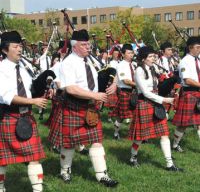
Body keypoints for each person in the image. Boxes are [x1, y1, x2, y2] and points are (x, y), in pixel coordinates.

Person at [48, 29, 118, 187]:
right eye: (84, 44)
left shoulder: (90, 61)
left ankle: (102, 175)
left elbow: (109, 72)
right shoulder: (68, 63)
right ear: (74, 46)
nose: (88, 47)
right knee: (69, 142)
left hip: (90, 107)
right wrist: (95, 96)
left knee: (96, 140)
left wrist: (113, 83)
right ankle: (65, 171)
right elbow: (71, 89)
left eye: (89, 44)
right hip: (73, 105)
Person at [0, 31, 48, 192]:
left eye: (20, 46)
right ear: (5, 50)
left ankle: (37, 190)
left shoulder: (24, 68)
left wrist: (45, 87)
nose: (20, 49)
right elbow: (8, 96)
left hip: (26, 115)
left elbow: (29, 90)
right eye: (15, 46)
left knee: (34, 156)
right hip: (8, 115)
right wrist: (33, 101)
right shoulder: (1, 69)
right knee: (2, 159)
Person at [128, 46, 183, 171]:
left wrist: (171, 79)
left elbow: (158, 87)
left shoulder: (153, 68)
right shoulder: (139, 71)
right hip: (144, 104)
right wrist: (164, 100)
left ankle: (169, 164)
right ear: (143, 59)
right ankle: (133, 157)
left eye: (154, 56)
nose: (154, 58)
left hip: (155, 103)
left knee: (164, 133)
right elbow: (146, 93)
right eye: (151, 56)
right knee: (140, 137)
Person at [172, 36, 200, 152]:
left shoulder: (198, 59)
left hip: (198, 92)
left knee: (199, 122)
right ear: (190, 48)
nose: (199, 50)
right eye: (198, 47)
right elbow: (187, 80)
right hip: (189, 93)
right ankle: (175, 144)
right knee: (183, 124)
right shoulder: (185, 61)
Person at [112, 44, 136, 139]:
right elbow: (125, 80)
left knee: (135, 114)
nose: (131, 55)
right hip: (124, 92)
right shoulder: (121, 65)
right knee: (121, 116)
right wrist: (139, 85)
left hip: (134, 92)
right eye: (129, 53)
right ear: (122, 54)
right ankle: (115, 133)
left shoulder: (133, 65)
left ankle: (134, 134)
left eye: (132, 52)